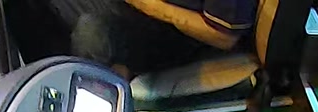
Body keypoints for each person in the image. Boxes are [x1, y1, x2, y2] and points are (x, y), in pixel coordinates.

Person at [69, 0, 259, 77]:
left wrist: (149, 5)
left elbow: (223, 37)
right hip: (140, 11)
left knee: (92, 31)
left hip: (177, 35)